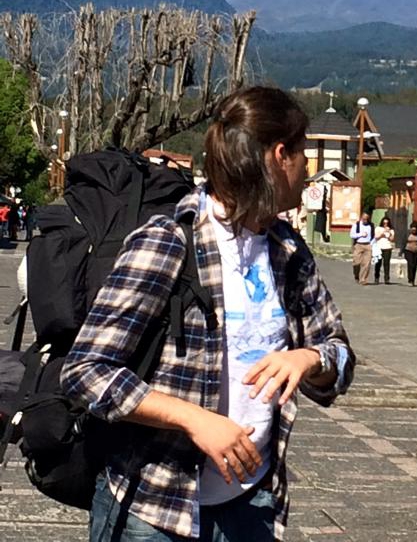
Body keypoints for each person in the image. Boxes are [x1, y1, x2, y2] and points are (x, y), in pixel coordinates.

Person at [60, 85, 355, 542]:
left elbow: (339, 355)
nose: (307, 170)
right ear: (281, 155)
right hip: (155, 509)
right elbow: (85, 371)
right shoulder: (171, 241)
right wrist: (194, 419)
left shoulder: (288, 251)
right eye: (303, 154)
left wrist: (309, 359)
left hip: (253, 502)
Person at [350, 211, 374, 285]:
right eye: (364, 219)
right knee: (356, 262)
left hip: (368, 245)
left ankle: (363, 279)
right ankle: (356, 275)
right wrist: (361, 234)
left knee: (366, 263)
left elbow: (373, 236)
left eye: (367, 219)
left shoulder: (371, 225)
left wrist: (372, 243)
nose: (365, 221)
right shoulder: (356, 225)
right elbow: (352, 235)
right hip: (358, 244)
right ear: (361, 218)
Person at [373, 216, 395, 284]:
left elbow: (392, 239)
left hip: (387, 247)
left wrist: (389, 233)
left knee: (386, 264)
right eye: (384, 223)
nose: (385, 224)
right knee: (378, 263)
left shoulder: (391, 230)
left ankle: (387, 278)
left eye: (387, 223)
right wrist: (382, 234)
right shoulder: (378, 228)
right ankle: (376, 278)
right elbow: (376, 238)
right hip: (379, 247)